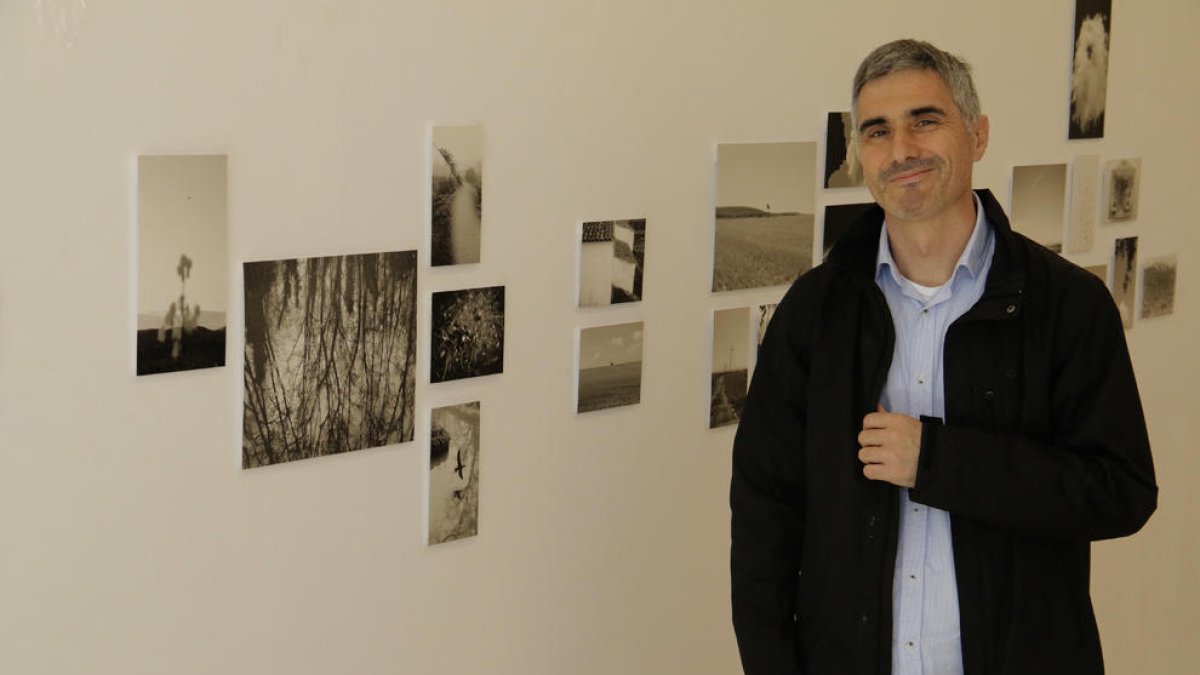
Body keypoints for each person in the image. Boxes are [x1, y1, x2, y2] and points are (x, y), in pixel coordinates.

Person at [730, 39, 1157, 675]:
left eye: (924, 121)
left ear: (977, 134)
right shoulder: (812, 313)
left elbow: (1120, 493)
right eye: (877, 131)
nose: (901, 150)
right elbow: (764, 516)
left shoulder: (1070, 305)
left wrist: (937, 460)